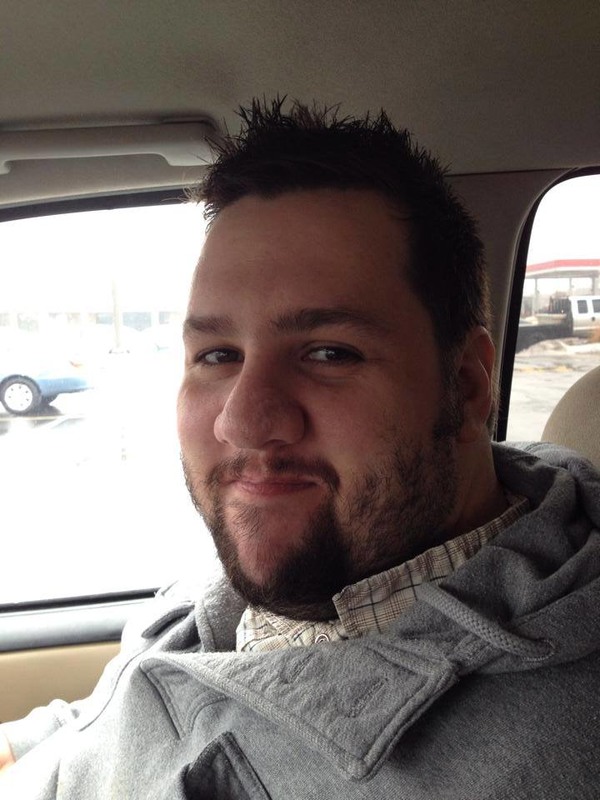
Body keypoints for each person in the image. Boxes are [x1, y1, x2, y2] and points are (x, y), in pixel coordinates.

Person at [2, 98, 599, 799]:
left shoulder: (541, 761)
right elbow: (113, 714)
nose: (241, 422)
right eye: (218, 354)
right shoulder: (315, 561)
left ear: (466, 386)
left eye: (328, 352)